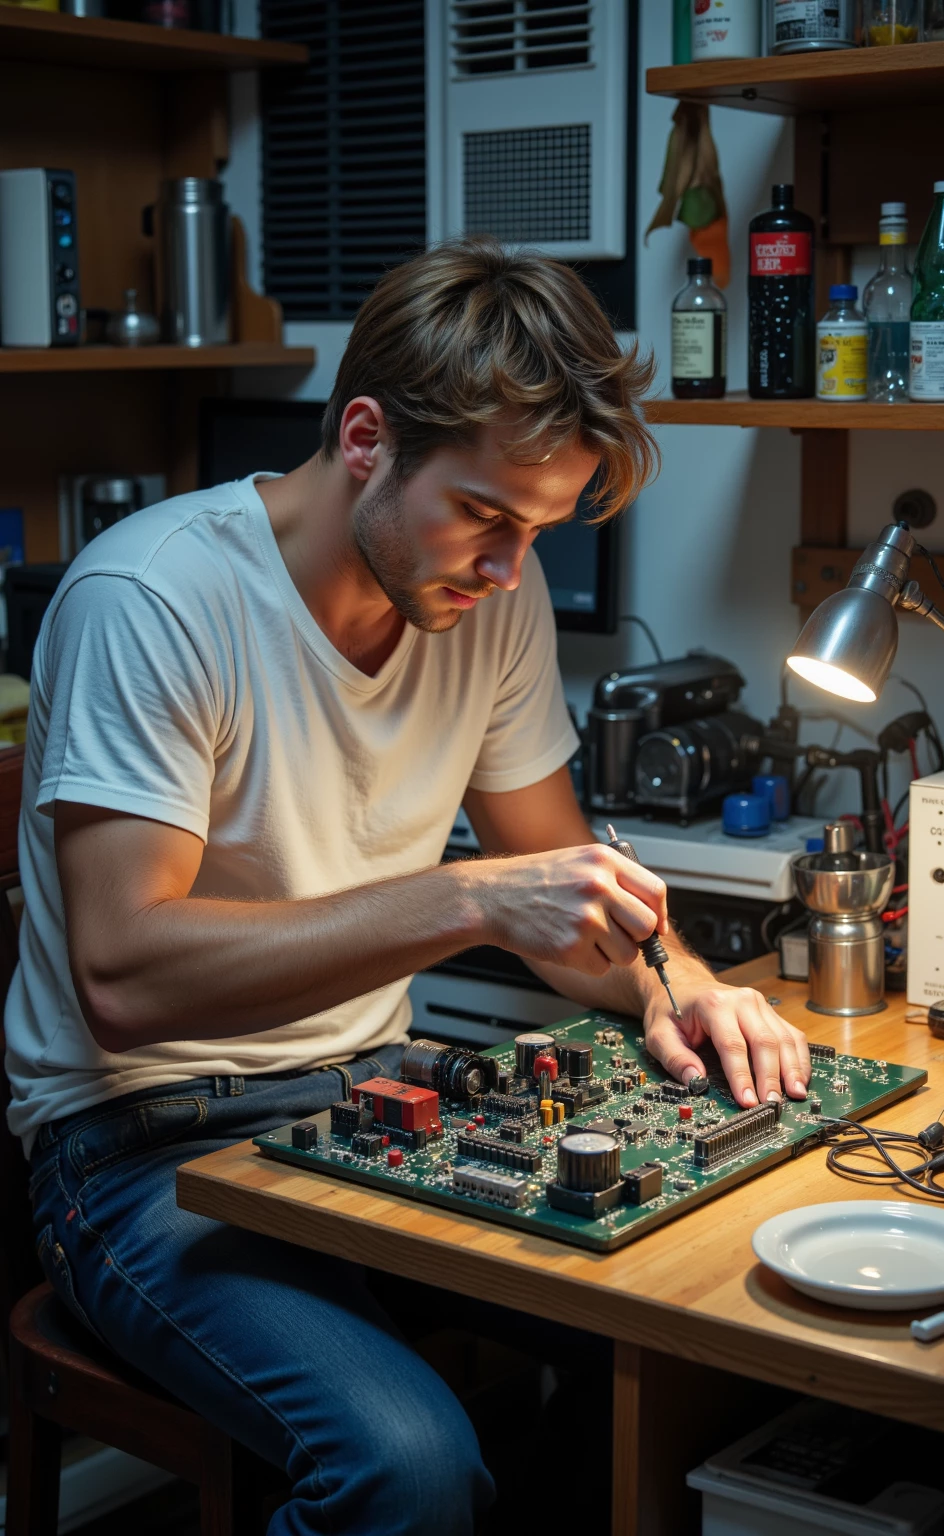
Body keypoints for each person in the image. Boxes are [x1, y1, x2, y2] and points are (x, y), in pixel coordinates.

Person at [6, 237, 810, 1535]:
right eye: (488, 515)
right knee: (408, 1466)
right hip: (137, 1146)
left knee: (687, 1328)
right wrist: (471, 899)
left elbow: (563, 902)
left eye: (539, 529)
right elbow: (123, 976)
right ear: (367, 436)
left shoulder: (492, 594)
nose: (507, 568)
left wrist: (684, 989)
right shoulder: (154, 600)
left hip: (370, 1103)